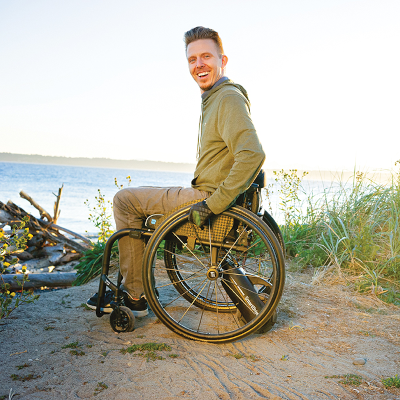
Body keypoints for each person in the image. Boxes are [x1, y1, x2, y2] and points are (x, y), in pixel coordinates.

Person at [87, 26, 265, 316]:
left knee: (125, 200)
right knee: (139, 199)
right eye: (192, 59)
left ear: (223, 60)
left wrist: (212, 204)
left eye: (206, 56)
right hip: (209, 194)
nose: (199, 65)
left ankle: (135, 296)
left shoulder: (227, 98)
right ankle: (138, 285)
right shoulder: (216, 97)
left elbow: (252, 154)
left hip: (207, 199)